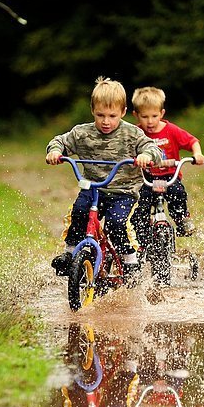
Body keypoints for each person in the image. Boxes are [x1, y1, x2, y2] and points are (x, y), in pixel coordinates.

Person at [46, 77, 163, 282]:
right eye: (100, 115)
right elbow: (60, 141)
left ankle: (129, 260)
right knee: (79, 213)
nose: (106, 121)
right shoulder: (82, 133)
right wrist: (55, 152)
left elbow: (153, 148)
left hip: (123, 192)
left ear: (123, 112)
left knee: (117, 223)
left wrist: (146, 156)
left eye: (112, 116)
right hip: (92, 189)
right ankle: (71, 252)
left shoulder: (132, 133)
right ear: (92, 110)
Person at [131, 87, 204, 251]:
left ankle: (182, 220)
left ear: (162, 113)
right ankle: (141, 237)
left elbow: (192, 141)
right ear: (136, 115)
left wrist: (197, 154)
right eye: (144, 117)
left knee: (177, 193)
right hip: (147, 178)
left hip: (170, 176)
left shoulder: (171, 131)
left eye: (154, 116)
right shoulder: (136, 133)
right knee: (139, 203)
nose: (150, 121)